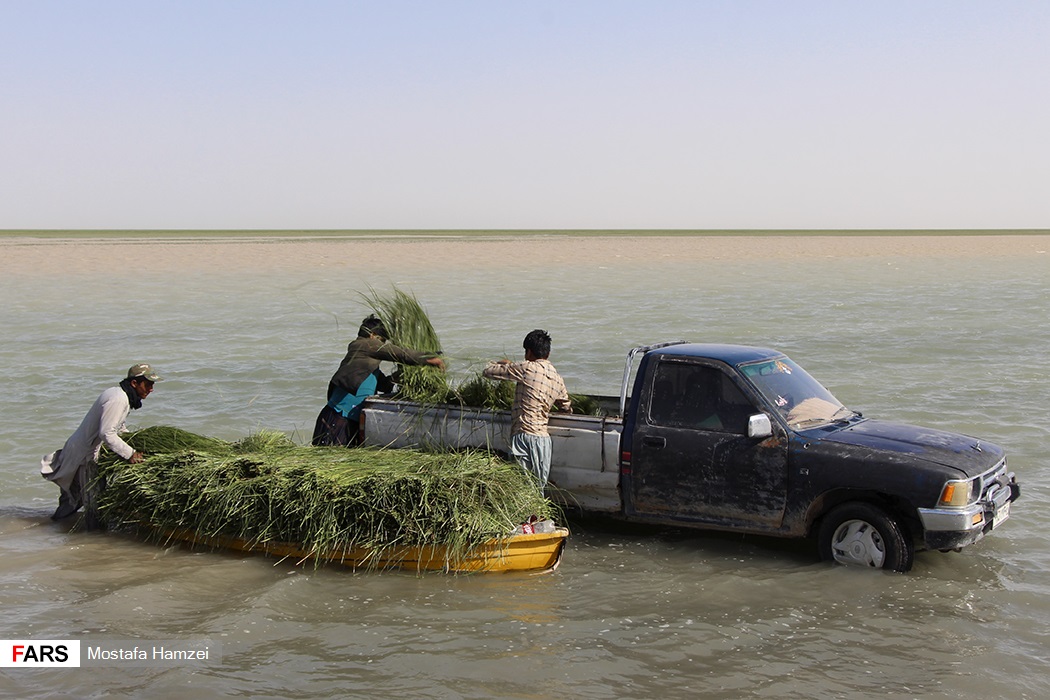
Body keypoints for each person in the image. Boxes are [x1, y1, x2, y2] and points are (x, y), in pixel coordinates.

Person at [40, 363, 162, 528]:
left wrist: (135, 439)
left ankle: (52, 528)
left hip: (77, 450)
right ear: (134, 383)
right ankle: (90, 542)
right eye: (147, 384)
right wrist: (131, 453)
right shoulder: (118, 399)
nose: (151, 389)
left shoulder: (119, 394)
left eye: (152, 385)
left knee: (73, 499)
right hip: (84, 457)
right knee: (93, 504)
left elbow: (118, 428)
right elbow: (107, 433)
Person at [312, 314, 445, 446]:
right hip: (339, 418)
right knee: (332, 459)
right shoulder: (363, 344)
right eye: (382, 341)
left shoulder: (364, 363)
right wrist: (429, 359)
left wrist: (401, 376)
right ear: (372, 335)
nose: (382, 346)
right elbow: (400, 353)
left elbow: (385, 385)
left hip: (353, 419)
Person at [482, 329, 571, 489]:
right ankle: (538, 515)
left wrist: (503, 363)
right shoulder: (557, 378)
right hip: (543, 442)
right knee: (537, 491)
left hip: (524, 437)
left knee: (521, 490)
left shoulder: (526, 368)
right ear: (548, 353)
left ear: (528, 351)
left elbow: (488, 372)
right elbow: (566, 408)